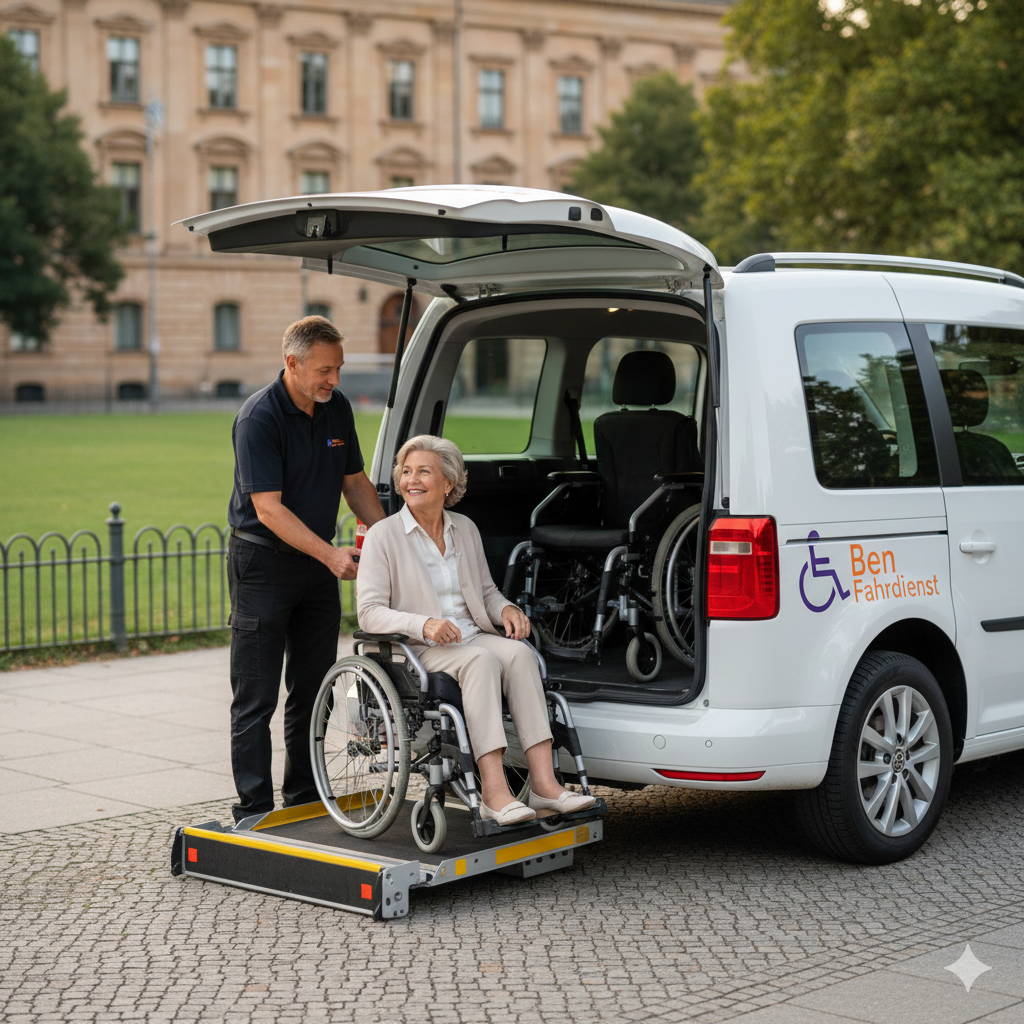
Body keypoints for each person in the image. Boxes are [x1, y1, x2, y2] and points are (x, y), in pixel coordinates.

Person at [356, 434, 597, 825]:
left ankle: (543, 785)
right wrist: (425, 624)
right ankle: (494, 793)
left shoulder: (464, 528)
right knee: (482, 661)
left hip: (471, 636)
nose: (411, 479)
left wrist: (507, 609)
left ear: (448, 483)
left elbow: (485, 591)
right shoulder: (384, 535)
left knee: (521, 655)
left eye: (424, 471)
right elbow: (368, 613)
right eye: (406, 471)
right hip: (420, 647)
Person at [227, 315, 386, 824]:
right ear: (291, 364)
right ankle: (253, 809)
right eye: (324, 370)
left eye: (338, 369)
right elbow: (268, 509)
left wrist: (390, 541)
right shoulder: (259, 418)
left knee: (313, 691)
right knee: (256, 697)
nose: (334, 381)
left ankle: (303, 799)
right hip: (263, 566)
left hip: (317, 567)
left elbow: (355, 481)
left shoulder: (335, 408)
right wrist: (332, 555)